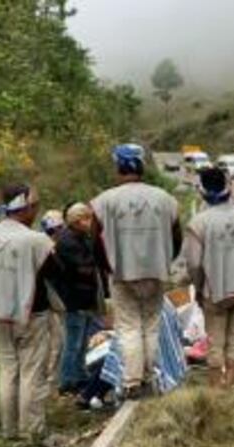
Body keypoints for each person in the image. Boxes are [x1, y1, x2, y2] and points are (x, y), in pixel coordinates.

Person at [90, 144, 182, 399]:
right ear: (142, 167)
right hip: (156, 271)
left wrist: (107, 268)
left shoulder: (104, 201)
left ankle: (132, 382)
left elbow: (95, 240)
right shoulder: (165, 199)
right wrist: (165, 261)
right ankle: (150, 377)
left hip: (121, 273)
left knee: (129, 327)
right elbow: (177, 237)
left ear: (118, 167)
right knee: (151, 326)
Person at [0, 185, 61, 441]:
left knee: (8, 370)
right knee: (31, 373)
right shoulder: (35, 240)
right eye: (34, 205)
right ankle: (32, 430)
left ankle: (9, 429)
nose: (36, 211)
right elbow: (55, 271)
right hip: (31, 313)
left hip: (1, 312)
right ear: (24, 207)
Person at [183, 168, 234, 388]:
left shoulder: (199, 222)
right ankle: (232, 386)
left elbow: (195, 264)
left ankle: (215, 391)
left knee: (216, 343)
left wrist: (199, 290)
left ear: (203, 190)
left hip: (216, 291)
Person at [55, 203, 106, 395]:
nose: (89, 222)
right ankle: (68, 380)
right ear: (76, 221)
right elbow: (83, 267)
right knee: (73, 342)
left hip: (84, 297)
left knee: (82, 341)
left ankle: (79, 375)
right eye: (86, 218)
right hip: (74, 299)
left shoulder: (81, 237)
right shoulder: (68, 241)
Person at [40, 210, 66, 392]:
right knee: (57, 341)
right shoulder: (50, 248)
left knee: (55, 342)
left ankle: (51, 378)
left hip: (48, 303)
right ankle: (51, 380)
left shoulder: (46, 244)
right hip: (51, 303)